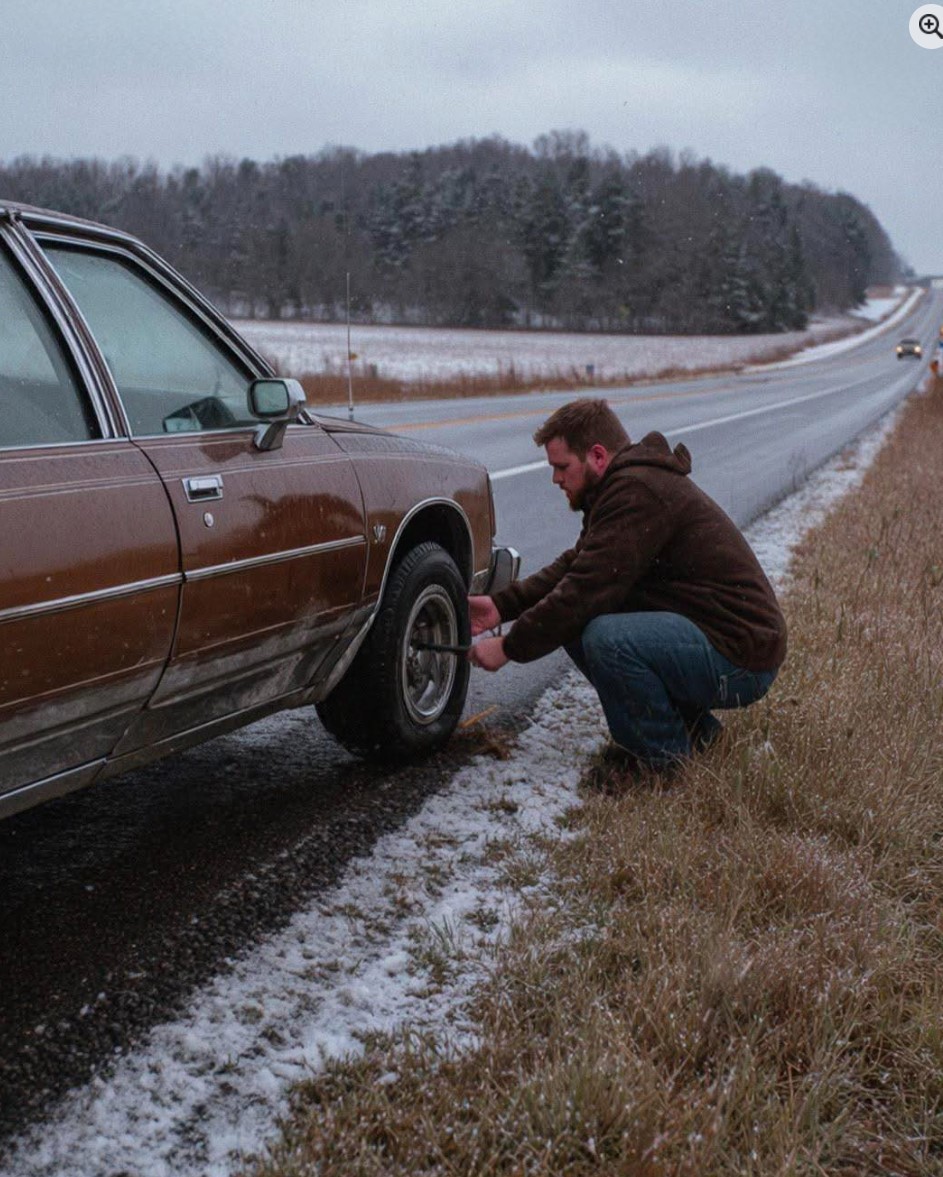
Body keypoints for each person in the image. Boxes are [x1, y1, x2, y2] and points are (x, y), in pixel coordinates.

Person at [468, 398, 786, 772]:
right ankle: (697, 736)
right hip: (714, 637)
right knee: (575, 621)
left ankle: (662, 763)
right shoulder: (623, 487)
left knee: (607, 636)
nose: (556, 479)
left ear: (598, 456)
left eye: (561, 466)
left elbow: (585, 589)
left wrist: (510, 646)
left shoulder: (638, 493)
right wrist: (501, 607)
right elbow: (579, 566)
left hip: (742, 657)